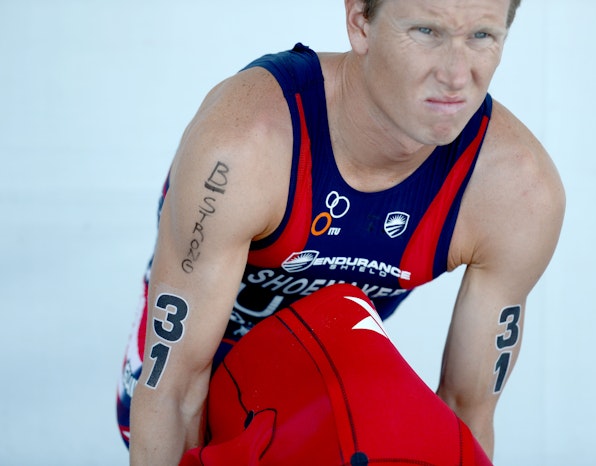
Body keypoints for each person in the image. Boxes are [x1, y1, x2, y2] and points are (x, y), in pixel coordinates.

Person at [117, 0, 565, 463]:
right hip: (191, 370)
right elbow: (172, 390)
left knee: (381, 408)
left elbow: (466, 415)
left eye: (481, 36)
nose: (455, 76)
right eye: (427, 32)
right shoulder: (246, 145)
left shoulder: (517, 189)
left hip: (320, 388)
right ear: (360, 23)